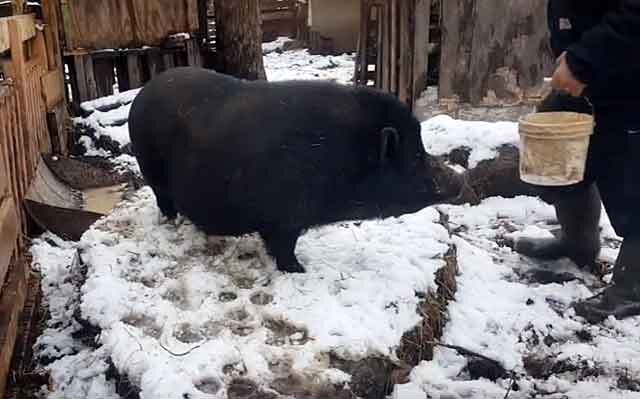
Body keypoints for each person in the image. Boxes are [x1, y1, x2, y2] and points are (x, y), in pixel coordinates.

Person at [511, 0, 640, 323]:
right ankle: (577, 242)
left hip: (630, 77)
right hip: (602, 75)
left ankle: (633, 286)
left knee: (632, 173)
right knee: (555, 145)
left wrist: (583, 61)